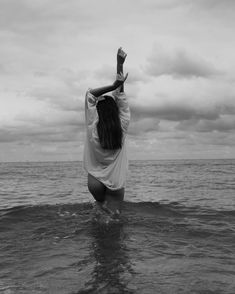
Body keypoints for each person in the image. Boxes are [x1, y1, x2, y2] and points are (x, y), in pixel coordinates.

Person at [83, 47, 130, 216]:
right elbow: (121, 97)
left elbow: (90, 95)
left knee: (99, 209)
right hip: (116, 182)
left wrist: (112, 85)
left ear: (98, 111)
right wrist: (119, 66)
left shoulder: (93, 125)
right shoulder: (123, 124)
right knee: (114, 221)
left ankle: (97, 239)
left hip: (95, 180)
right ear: (115, 110)